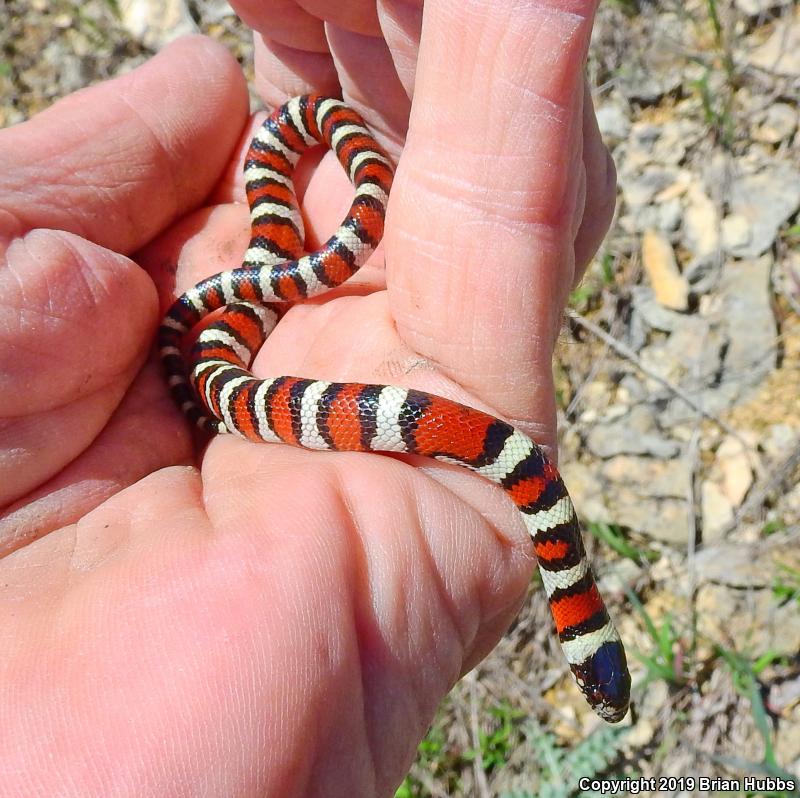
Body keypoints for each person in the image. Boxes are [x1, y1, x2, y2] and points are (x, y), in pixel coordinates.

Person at [0, 1, 616, 794]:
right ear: (572, 629)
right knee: (259, 270)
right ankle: (310, 175)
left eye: (592, 680)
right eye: (593, 680)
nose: (592, 691)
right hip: (251, 318)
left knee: (231, 342)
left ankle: (249, 302)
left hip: (234, 374)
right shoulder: (540, 504)